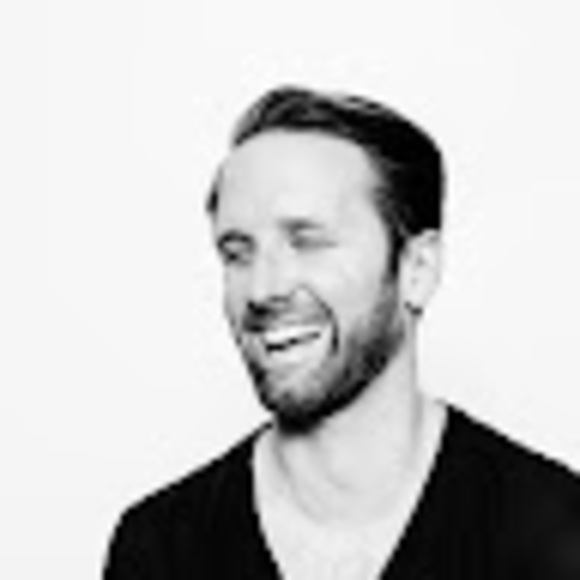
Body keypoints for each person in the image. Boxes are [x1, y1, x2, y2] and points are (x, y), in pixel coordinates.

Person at [104, 87, 580, 579]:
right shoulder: (160, 546)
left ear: (417, 269)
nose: (263, 289)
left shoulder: (551, 528)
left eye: (307, 242)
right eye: (237, 253)